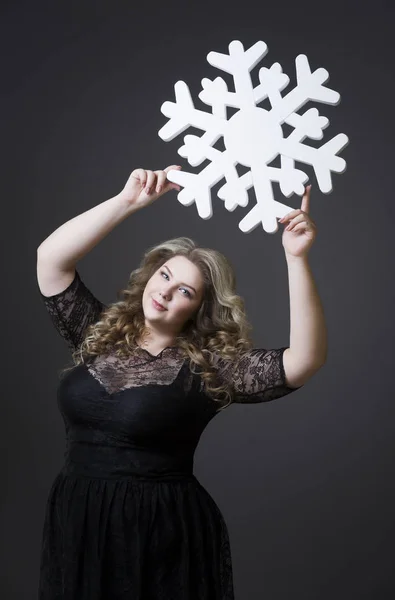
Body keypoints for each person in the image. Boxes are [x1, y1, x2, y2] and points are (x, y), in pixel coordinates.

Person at [36, 165, 327, 599]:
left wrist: (296, 258)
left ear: (197, 310)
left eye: (185, 292)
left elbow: (302, 362)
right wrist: (128, 201)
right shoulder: (96, 334)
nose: (167, 292)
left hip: (161, 532)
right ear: (150, 275)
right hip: (79, 518)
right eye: (166, 276)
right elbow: (51, 259)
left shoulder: (208, 368)